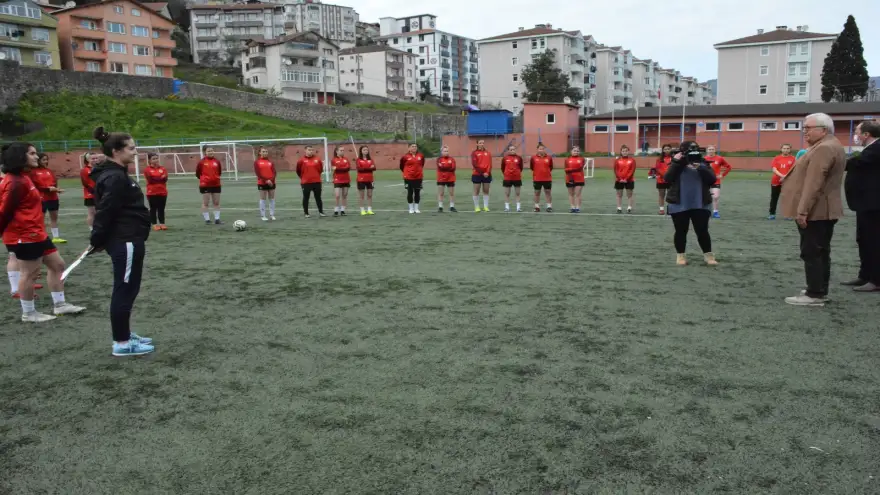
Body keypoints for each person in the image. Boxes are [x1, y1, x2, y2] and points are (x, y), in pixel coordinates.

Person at [0, 143, 85, 322]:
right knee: (29, 273)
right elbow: (4, 212)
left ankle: (60, 305)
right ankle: (29, 313)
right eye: (31, 154)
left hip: (37, 233)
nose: (36, 156)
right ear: (20, 157)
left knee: (58, 265)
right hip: (25, 235)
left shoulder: (24, 177)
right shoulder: (15, 182)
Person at [89, 127, 153, 356]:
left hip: (130, 237)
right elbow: (106, 210)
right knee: (124, 290)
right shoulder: (115, 177)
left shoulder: (117, 172)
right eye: (131, 148)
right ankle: (122, 343)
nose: (135, 152)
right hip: (125, 240)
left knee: (129, 288)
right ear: (116, 151)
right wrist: (97, 238)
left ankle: (124, 333)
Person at [780, 113, 847, 307]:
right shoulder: (829, 145)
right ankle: (818, 289)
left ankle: (814, 294)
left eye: (808, 128)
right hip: (822, 209)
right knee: (820, 250)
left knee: (812, 251)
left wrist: (802, 211)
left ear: (823, 130)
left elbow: (814, 183)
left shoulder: (824, 148)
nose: (805, 132)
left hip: (817, 210)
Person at [664, 141, 718, 266]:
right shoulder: (676, 162)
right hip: (679, 202)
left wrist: (700, 166)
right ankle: (680, 256)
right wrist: (677, 163)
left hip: (700, 202)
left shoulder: (703, 162)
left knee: (702, 230)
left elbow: (712, 179)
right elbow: (667, 178)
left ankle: (708, 255)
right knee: (680, 231)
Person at [842, 120, 880, 292]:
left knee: (873, 241)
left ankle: (876, 280)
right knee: (863, 240)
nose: (855, 136)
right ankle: (864, 275)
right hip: (865, 204)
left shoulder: (876, 149)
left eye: (857, 132)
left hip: (874, 205)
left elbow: (855, 163)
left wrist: (840, 160)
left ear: (866, 134)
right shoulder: (870, 149)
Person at [31, 153, 66, 244]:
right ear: (38, 160)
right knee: (40, 219)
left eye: (46, 159)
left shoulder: (49, 171)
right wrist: (47, 189)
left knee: (54, 217)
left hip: (53, 197)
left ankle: (56, 237)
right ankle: (41, 237)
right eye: (43, 160)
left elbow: (54, 182)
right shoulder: (33, 172)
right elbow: (35, 185)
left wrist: (56, 189)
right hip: (41, 198)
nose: (46, 161)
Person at [768, 144, 796, 220]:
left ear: (790, 150)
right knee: (774, 198)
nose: (786, 150)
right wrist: (782, 176)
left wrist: (785, 177)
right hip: (776, 181)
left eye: (787, 148)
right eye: (784, 148)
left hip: (788, 182)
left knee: (787, 199)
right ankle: (772, 214)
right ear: (781, 149)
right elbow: (774, 169)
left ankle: (787, 215)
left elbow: (793, 170)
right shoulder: (776, 158)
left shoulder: (793, 159)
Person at [296, 145, 325, 218]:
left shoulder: (317, 159)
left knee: (318, 197)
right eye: (309, 150)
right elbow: (298, 171)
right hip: (306, 183)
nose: (311, 151)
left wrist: (315, 176)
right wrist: (304, 177)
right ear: (305, 150)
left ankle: (321, 212)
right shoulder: (301, 160)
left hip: (317, 182)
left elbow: (320, 170)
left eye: (312, 150)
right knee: (306, 198)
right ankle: (306, 213)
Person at [195, 147, 222, 225]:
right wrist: (204, 179)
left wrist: (215, 178)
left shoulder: (217, 161)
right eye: (209, 151)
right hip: (205, 185)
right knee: (206, 203)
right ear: (205, 152)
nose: (211, 152)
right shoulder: (201, 162)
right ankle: (207, 220)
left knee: (216, 202)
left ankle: (217, 219)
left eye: (212, 150)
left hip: (216, 184)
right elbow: (198, 173)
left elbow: (219, 172)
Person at [704, 145, 732, 218]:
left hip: (715, 180)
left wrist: (722, 175)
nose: (711, 150)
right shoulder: (703, 159)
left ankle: (715, 212)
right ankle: (704, 211)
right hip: (705, 181)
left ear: (715, 150)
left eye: (712, 149)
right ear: (707, 150)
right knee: (703, 197)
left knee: (715, 197)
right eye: (709, 149)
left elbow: (729, 167)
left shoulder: (719, 158)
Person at [143, 152, 169, 230]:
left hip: (162, 191)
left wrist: (159, 178)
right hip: (152, 192)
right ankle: (154, 224)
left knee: (161, 208)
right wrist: (160, 178)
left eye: (156, 158)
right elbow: (151, 180)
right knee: (153, 208)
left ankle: (162, 223)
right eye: (153, 159)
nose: (156, 160)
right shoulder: (147, 169)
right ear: (149, 160)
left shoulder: (163, 168)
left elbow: (165, 179)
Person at [399, 143, 425, 214]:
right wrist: (407, 172)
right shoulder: (405, 157)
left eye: (415, 146)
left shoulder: (421, 156)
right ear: (409, 148)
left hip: (418, 177)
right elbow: (401, 166)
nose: (414, 148)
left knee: (417, 193)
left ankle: (416, 208)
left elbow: (422, 164)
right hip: (408, 178)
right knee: (410, 192)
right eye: (412, 146)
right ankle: (411, 208)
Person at [254, 146, 277, 221]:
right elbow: (258, 174)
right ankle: (263, 215)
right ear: (260, 152)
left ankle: (272, 215)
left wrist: (271, 180)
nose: (265, 153)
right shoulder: (257, 162)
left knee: (272, 199)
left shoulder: (271, 162)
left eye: (266, 151)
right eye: (263, 151)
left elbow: (274, 173)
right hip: (262, 183)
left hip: (271, 183)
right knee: (263, 199)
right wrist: (266, 180)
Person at [530, 143, 553, 212]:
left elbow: (551, 167)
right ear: (537, 150)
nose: (541, 150)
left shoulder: (549, 157)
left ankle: (549, 206)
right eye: (540, 149)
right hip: (537, 178)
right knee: (537, 192)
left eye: (543, 149)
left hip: (547, 178)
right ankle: (537, 206)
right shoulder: (533, 158)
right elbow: (532, 167)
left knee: (548, 192)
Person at [613, 145, 636, 213]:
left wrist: (626, 178)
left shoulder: (632, 160)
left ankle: (629, 207)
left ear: (628, 151)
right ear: (621, 152)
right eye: (623, 151)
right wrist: (620, 178)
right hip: (619, 180)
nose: (625, 152)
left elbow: (632, 170)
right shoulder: (617, 160)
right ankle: (619, 207)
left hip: (629, 180)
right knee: (619, 195)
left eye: (626, 151)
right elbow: (615, 170)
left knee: (629, 194)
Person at [500, 144, 523, 212]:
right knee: (507, 193)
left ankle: (518, 207)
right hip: (507, 178)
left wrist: (517, 173)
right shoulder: (505, 158)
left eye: (513, 149)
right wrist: (506, 173)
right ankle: (507, 207)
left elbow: (521, 167)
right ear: (508, 150)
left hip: (517, 178)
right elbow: (502, 168)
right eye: (511, 150)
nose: (512, 151)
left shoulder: (519, 158)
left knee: (517, 193)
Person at [471, 139, 492, 212]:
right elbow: (475, 165)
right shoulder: (474, 153)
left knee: (486, 190)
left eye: (483, 143)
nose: (482, 144)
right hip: (477, 174)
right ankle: (477, 207)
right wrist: (483, 173)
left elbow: (489, 164)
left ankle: (485, 207)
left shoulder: (488, 153)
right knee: (476, 191)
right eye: (480, 143)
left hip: (487, 174)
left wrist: (487, 172)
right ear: (477, 144)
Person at [81, 152, 100, 231]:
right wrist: (93, 192)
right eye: (93, 158)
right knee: (91, 213)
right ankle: (92, 230)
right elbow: (85, 183)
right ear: (88, 159)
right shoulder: (85, 170)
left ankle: (99, 229)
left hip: (99, 194)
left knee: (99, 213)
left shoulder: (99, 169)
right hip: (90, 195)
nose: (95, 160)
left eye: (96, 158)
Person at [564, 146, 586, 213]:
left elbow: (580, 168)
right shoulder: (567, 160)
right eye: (574, 150)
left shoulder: (582, 159)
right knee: (571, 194)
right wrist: (570, 171)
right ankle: (572, 207)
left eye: (577, 151)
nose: (576, 152)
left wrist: (570, 170)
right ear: (571, 152)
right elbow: (566, 169)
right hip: (569, 178)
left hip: (579, 178)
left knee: (578, 194)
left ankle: (577, 207)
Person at [331, 146, 351, 217]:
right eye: (341, 150)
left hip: (346, 179)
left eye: (343, 150)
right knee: (337, 195)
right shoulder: (334, 160)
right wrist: (343, 168)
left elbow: (348, 168)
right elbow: (335, 169)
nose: (342, 151)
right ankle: (336, 210)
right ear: (337, 151)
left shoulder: (346, 159)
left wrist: (339, 168)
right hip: (337, 179)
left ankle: (343, 210)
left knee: (344, 195)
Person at [436, 145, 457, 212]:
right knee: (441, 193)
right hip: (441, 178)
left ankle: (452, 207)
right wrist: (448, 167)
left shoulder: (452, 159)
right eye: (444, 151)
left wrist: (445, 167)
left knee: (451, 193)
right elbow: (440, 168)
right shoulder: (439, 159)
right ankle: (440, 207)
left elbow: (453, 168)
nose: (446, 152)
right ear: (441, 152)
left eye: (447, 151)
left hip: (450, 178)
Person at [356, 145, 376, 216]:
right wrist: (369, 168)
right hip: (361, 179)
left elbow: (374, 168)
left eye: (366, 150)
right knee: (362, 195)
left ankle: (369, 210)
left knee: (370, 195)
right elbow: (359, 169)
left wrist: (365, 168)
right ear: (361, 151)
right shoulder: (358, 160)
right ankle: (362, 210)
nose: (365, 151)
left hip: (370, 179)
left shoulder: (371, 159)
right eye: (364, 150)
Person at [654, 144, 673, 215]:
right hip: (661, 180)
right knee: (661, 195)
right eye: (665, 149)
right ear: (663, 150)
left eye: (668, 149)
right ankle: (661, 209)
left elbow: (675, 168)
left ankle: (670, 209)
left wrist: (669, 176)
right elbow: (658, 168)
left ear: (671, 149)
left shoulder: (674, 158)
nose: (667, 150)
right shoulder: (659, 159)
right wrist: (665, 176)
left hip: (671, 180)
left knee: (670, 195)